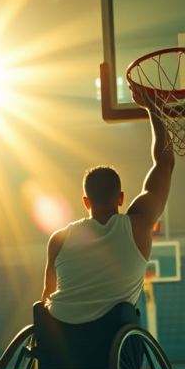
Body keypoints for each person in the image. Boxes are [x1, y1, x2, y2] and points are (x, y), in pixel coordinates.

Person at [41, 110, 173, 325]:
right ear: (121, 198)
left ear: (86, 202)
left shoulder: (58, 239)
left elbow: (48, 294)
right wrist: (153, 108)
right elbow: (165, 163)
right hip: (112, 338)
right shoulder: (138, 225)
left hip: (63, 342)